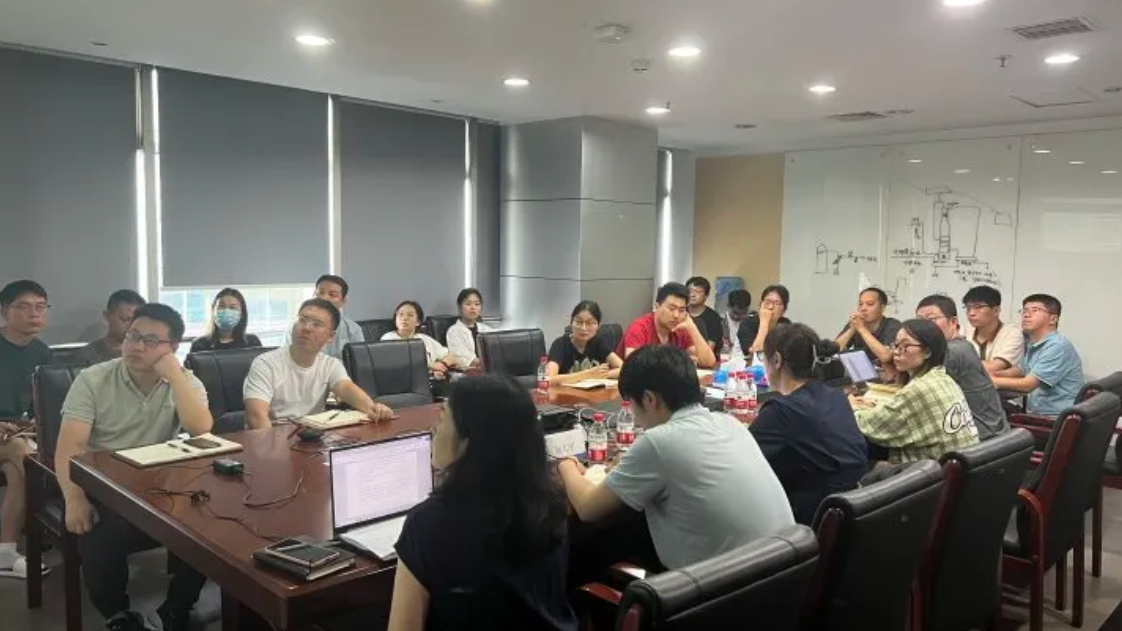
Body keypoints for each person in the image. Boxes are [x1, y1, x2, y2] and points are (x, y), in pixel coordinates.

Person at [558, 345, 793, 569]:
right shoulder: (729, 422)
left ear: (649, 399)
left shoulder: (658, 442)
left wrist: (566, 464)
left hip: (721, 590)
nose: (634, 417)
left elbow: (588, 508)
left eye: (631, 404)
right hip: (784, 573)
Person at [55, 304, 211, 631]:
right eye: (133, 336)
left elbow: (201, 429)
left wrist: (175, 377)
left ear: (173, 348)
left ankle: (178, 607)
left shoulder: (187, 383)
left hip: (159, 481)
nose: (137, 346)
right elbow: (70, 446)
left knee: (209, 518)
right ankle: (117, 615)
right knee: (101, 531)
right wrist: (73, 497)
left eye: (150, 341)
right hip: (103, 483)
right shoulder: (93, 379)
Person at [381, 375, 577, 631]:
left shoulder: (428, 524)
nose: (434, 430)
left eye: (442, 419)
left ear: (468, 442)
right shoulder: (551, 501)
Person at [749, 323, 867, 525]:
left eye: (763, 357)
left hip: (809, 519)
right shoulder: (836, 396)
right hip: (852, 508)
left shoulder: (780, 411)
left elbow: (743, 462)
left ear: (776, 360)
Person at [244, 299, 394, 429]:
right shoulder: (265, 364)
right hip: (273, 436)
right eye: (303, 320)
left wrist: (373, 408)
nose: (306, 328)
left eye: (317, 324)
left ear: (331, 336)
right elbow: (256, 418)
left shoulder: (331, 365)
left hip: (311, 437)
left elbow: (346, 388)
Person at [853, 319, 980, 464]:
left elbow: (866, 425)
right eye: (896, 345)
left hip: (935, 473)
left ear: (927, 352)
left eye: (905, 346)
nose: (895, 351)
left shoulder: (918, 389)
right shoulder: (943, 377)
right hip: (961, 466)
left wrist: (851, 405)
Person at [0, 280, 52, 579]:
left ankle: (5, 552)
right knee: (25, 457)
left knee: (19, 468)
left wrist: (33, 422)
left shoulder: (41, 352)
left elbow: (39, 403)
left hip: (13, 436)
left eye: (41, 306)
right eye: (24, 306)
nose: (35, 313)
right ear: (5, 311)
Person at [916, 295, 1007, 440]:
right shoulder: (960, 345)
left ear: (953, 322)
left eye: (931, 319)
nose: (924, 327)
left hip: (980, 438)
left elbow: (923, 397)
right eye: (919, 321)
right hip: (988, 432)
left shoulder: (953, 351)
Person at [992, 294, 1083, 416]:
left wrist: (993, 381)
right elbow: (1021, 370)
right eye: (1024, 311)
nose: (1026, 315)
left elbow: (1028, 385)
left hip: (1053, 418)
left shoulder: (1057, 346)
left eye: (1035, 310)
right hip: (1036, 413)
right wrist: (996, 374)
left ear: (1053, 319)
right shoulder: (1035, 342)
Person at [620, 282, 716, 369]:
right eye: (671, 308)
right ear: (656, 307)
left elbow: (708, 362)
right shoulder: (639, 328)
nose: (676, 315)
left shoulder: (681, 327)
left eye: (681, 310)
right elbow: (633, 366)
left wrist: (692, 327)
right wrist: (679, 362)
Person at [546, 301, 623, 384]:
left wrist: (601, 375)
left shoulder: (598, 342)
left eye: (589, 323)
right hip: (564, 392)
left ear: (598, 326)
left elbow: (624, 368)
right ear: (571, 322)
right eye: (578, 322)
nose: (583, 328)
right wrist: (587, 375)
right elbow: (549, 379)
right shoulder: (560, 344)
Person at [382, 301, 460, 377]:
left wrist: (442, 365)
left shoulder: (424, 339)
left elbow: (452, 357)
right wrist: (430, 366)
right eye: (400, 314)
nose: (404, 318)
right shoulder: (388, 338)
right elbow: (394, 366)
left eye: (410, 315)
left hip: (429, 380)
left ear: (418, 322)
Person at [962, 285, 1025, 376]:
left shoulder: (1012, 334)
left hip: (1000, 385)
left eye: (978, 307)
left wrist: (961, 365)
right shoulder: (964, 331)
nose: (971, 313)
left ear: (996, 311)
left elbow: (994, 367)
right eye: (968, 308)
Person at [836, 287, 902, 365]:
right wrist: (851, 330)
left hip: (885, 371)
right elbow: (834, 350)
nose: (863, 308)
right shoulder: (856, 323)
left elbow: (886, 357)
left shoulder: (893, 325)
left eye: (870, 304)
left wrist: (861, 328)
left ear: (882, 308)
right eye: (860, 304)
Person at [79, 290, 146, 365]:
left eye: (136, 321)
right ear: (107, 315)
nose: (131, 326)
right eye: (124, 319)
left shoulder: (146, 353)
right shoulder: (87, 356)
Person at [189, 288, 262, 352]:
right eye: (221, 306)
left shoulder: (252, 343)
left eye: (232, 308)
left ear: (242, 313)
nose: (226, 311)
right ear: (213, 310)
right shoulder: (200, 345)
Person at [313, 275, 364, 358]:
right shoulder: (299, 326)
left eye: (332, 295)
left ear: (343, 301)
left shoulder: (353, 329)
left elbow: (359, 362)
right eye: (320, 292)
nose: (324, 298)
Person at [446, 288, 494, 368]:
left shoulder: (487, 330)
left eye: (477, 304)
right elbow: (462, 358)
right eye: (468, 304)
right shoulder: (454, 331)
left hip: (490, 369)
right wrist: (489, 362)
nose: (473, 307)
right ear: (460, 306)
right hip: (468, 372)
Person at [738, 284, 793, 355]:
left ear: (784, 310)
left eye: (777, 303)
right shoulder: (748, 323)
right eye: (767, 302)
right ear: (760, 305)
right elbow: (757, 354)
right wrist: (764, 322)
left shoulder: (786, 325)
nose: (770, 307)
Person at [685, 276, 723, 352]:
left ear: (706, 295)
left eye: (698, 292)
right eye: (690, 291)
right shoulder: (680, 312)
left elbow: (709, 348)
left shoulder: (714, 317)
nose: (692, 295)